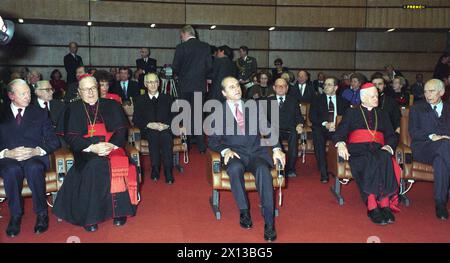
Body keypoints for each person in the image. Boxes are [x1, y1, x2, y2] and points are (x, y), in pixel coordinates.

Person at [53, 75, 138, 232]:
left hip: (111, 147)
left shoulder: (112, 105)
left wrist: (110, 145)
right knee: (95, 165)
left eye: (93, 88)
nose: (90, 92)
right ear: (79, 91)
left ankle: (119, 211)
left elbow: (121, 130)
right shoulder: (72, 108)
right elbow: (71, 137)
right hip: (85, 151)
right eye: (86, 89)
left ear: (98, 88)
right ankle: (90, 216)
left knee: (119, 163)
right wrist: (92, 147)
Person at [208, 76, 286, 242]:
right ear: (224, 93)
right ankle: (244, 211)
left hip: (257, 153)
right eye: (231, 87)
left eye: (237, 85)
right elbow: (213, 141)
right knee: (235, 169)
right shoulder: (218, 112)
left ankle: (269, 222)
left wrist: (278, 148)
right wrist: (225, 150)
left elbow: (268, 129)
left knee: (263, 171)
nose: (236, 89)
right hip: (235, 153)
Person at [332, 82, 401, 225]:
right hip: (358, 150)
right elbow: (340, 132)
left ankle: (384, 203)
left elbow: (391, 135)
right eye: (373, 96)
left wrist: (389, 146)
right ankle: (372, 205)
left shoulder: (382, 113)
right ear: (363, 98)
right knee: (371, 159)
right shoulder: (352, 112)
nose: (377, 99)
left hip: (378, 149)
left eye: (377, 96)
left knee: (384, 156)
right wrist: (340, 143)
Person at [0, 79, 60, 237]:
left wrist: (36, 151)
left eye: (28, 92)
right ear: (11, 96)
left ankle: (41, 213)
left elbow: (54, 141)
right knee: (11, 170)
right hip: (8, 158)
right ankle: (15, 215)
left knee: (34, 168)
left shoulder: (40, 113)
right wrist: (6, 153)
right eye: (23, 93)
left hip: (34, 157)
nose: (28, 96)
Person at [409, 79, 450, 220]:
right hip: (423, 147)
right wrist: (433, 136)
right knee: (445, 145)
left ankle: (440, 203)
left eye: (431, 91)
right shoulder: (417, 108)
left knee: (441, 160)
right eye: (425, 91)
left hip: (445, 150)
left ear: (442, 92)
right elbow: (413, 132)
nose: (427, 94)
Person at [172, 25, 212, 153]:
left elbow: (175, 67)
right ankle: (201, 145)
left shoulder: (181, 47)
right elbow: (209, 66)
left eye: (181, 36)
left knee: (185, 115)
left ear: (184, 34)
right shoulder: (205, 46)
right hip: (199, 86)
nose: (181, 38)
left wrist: (177, 74)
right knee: (198, 115)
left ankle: (187, 143)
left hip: (184, 86)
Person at [133, 73, 174, 184]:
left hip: (165, 128)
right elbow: (136, 119)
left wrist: (166, 125)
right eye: (150, 82)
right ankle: (155, 169)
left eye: (155, 82)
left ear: (159, 83)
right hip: (148, 129)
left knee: (166, 136)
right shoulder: (140, 99)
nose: (153, 85)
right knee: (153, 135)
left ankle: (168, 170)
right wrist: (149, 124)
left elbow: (174, 116)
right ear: (145, 84)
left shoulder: (167, 98)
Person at [310, 77, 350, 183]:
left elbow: (347, 118)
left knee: (345, 136)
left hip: (338, 129)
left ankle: (340, 168)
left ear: (336, 88)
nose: (325, 87)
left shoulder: (344, 102)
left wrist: (337, 125)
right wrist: (325, 124)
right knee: (317, 135)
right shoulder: (317, 99)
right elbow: (312, 117)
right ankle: (323, 171)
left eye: (329, 85)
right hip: (322, 128)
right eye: (325, 85)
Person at [267, 78, 304, 178]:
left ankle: (290, 168)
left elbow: (299, 117)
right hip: (274, 131)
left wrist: (299, 125)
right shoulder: (268, 101)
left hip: (289, 130)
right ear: (274, 88)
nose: (281, 88)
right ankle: (275, 166)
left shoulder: (293, 101)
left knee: (294, 134)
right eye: (278, 86)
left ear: (287, 88)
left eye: (283, 86)